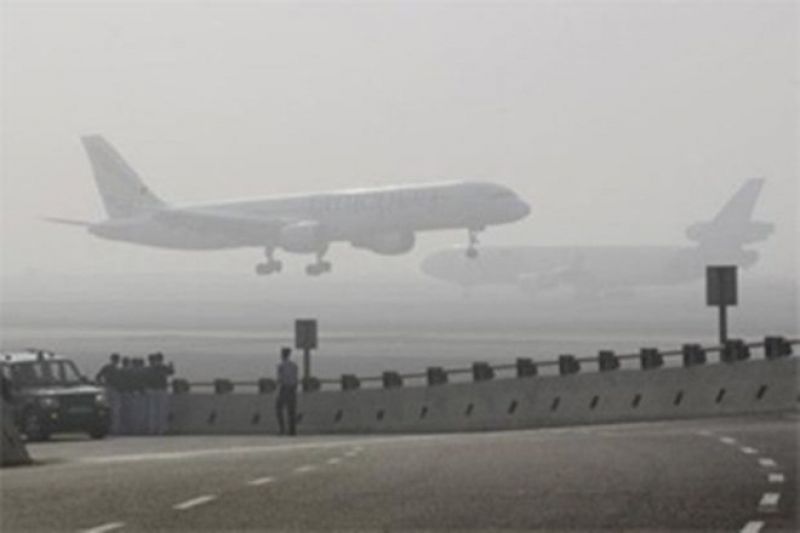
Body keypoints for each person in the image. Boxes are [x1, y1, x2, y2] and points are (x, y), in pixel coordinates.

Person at [145, 352, 174, 435]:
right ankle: (161, 429)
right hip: (161, 390)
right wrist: (171, 365)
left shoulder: (150, 368)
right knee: (161, 411)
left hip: (152, 390)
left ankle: (151, 429)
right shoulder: (163, 367)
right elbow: (171, 372)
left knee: (152, 411)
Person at [95, 353, 122, 434]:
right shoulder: (116, 369)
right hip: (113, 389)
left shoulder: (107, 367)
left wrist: (100, 384)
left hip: (109, 388)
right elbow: (98, 376)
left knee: (110, 409)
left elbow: (98, 376)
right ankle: (114, 428)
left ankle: (111, 428)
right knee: (114, 410)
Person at [275, 347, 298, 436]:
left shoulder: (281, 366)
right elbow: (295, 378)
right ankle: (292, 430)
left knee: (279, 409)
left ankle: (282, 429)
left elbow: (279, 379)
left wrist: (278, 390)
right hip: (292, 389)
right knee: (291, 411)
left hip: (284, 389)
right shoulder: (294, 366)